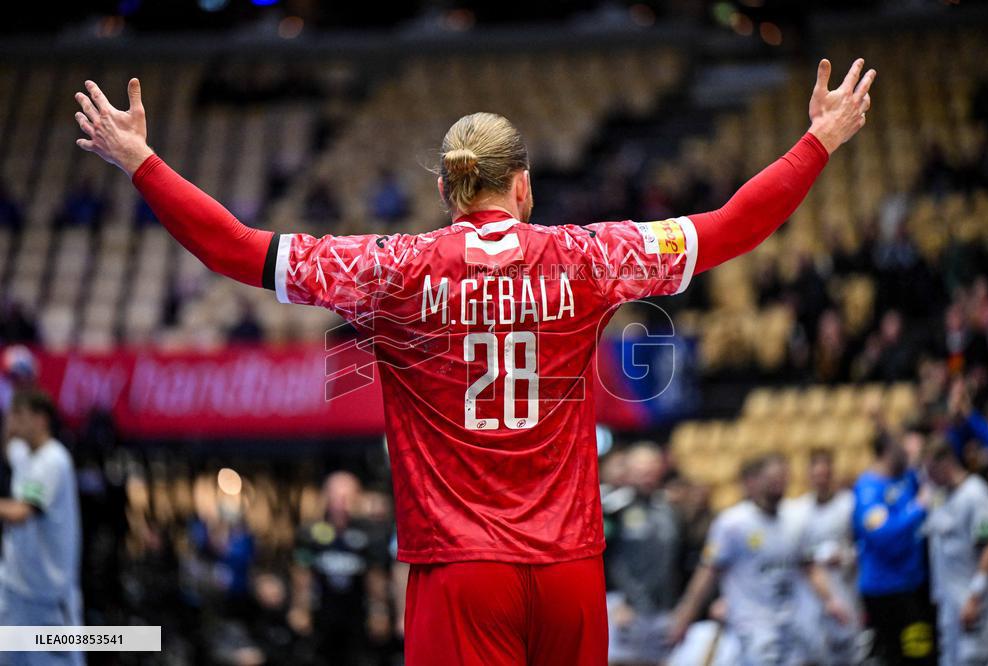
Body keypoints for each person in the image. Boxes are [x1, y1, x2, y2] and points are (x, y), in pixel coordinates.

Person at [72, 56, 875, 666]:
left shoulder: (389, 269)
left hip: (458, 568)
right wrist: (820, 140)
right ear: (520, 187)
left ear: (448, 193)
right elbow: (732, 225)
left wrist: (142, 161)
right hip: (567, 567)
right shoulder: (588, 255)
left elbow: (235, 249)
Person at [667, 453, 851, 665]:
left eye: (783, 477)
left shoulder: (795, 520)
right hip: (752, 627)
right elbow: (708, 572)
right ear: (752, 481)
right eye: (772, 478)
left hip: (792, 623)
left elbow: (808, 565)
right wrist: (685, 616)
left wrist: (830, 599)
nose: (779, 483)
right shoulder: (733, 523)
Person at [0, 389, 83, 666]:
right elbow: (9, 445)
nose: (14, 421)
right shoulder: (25, 453)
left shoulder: (54, 460)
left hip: (47, 601)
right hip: (14, 589)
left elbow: (22, 512)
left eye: (20, 415)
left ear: (41, 419)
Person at [288, 472, 391, 666]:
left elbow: (375, 575)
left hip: (357, 612)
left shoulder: (371, 533)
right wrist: (300, 608)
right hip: (323, 612)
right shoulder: (311, 532)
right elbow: (302, 571)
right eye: (335, 495)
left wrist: (379, 612)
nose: (340, 503)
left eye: (346, 496)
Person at [852, 432, 935, 664]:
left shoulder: (906, 477)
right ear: (888, 452)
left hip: (913, 584)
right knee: (899, 655)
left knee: (921, 652)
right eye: (904, 452)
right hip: (886, 590)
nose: (909, 457)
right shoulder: (868, 489)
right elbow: (881, 533)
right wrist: (917, 508)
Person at [604, 443, 683, 666]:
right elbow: (598, 557)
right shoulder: (612, 507)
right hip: (623, 608)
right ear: (627, 470)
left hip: (661, 610)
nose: (647, 473)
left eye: (652, 466)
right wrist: (612, 601)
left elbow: (679, 558)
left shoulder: (668, 509)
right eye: (641, 467)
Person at [923, 439, 988, 666]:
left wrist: (975, 596)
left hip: (974, 600)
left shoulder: (976, 494)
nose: (929, 478)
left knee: (977, 660)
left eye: (931, 471)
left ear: (946, 463)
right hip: (948, 602)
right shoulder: (939, 496)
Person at [783, 448, 860, 665]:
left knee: (847, 648)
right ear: (809, 476)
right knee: (812, 651)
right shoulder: (796, 510)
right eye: (816, 475)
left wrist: (846, 556)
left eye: (825, 475)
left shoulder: (848, 504)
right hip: (809, 590)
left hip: (844, 584)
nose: (821, 480)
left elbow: (863, 544)